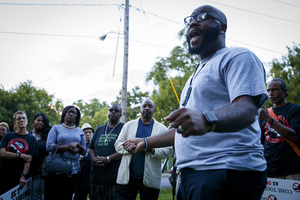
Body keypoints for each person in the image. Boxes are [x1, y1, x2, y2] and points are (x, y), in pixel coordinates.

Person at [122, 5, 268, 200]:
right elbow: (186, 129)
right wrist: (145, 142)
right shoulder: (195, 75)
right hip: (192, 174)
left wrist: (207, 119)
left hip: (226, 171)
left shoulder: (238, 56)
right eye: (189, 19)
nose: (192, 22)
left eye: (202, 16)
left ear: (222, 27)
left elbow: (248, 109)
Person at [115, 98, 173, 200]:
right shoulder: (128, 125)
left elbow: (168, 151)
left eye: (150, 106)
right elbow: (118, 144)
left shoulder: (162, 128)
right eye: (144, 106)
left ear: (154, 110)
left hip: (150, 179)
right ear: (140, 109)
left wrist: (151, 149)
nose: (147, 108)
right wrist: (129, 148)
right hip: (128, 178)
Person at [259, 78, 300, 180]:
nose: (271, 93)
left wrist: (269, 119)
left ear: (284, 91)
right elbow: (261, 143)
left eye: (275, 90)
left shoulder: (296, 110)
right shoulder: (264, 113)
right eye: (268, 90)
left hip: (292, 171)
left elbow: (293, 136)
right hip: (269, 170)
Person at [45, 105, 87, 200]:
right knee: (53, 196)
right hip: (56, 168)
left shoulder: (79, 131)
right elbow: (49, 146)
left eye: (74, 113)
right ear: (64, 114)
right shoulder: (56, 128)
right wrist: (67, 147)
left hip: (74, 170)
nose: (71, 114)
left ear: (77, 117)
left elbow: (84, 151)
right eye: (69, 112)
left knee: (67, 196)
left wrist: (77, 146)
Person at [88, 104, 124, 200]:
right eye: (111, 110)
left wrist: (108, 159)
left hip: (114, 178)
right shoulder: (100, 129)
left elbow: (125, 150)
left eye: (116, 111)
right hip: (96, 176)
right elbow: (91, 148)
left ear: (120, 114)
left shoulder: (124, 128)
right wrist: (94, 159)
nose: (113, 112)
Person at [0, 111, 38, 195]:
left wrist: (23, 176)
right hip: (4, 174)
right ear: (15, 122)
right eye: (19, 118)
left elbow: (28, 159)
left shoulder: (32, 139)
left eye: (24, 118)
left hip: (21, 177)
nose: (22, 120)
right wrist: (20, 155)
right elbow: (2, 153)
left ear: (27, 121)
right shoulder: (8, 136)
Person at [29, 113, 52, 200]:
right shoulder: (28, 134)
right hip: (27, 171)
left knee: (37, 195)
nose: (40, 122)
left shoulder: (48, 136)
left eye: (42, 121)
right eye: (38, 120)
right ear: (33, 121)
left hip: (41, 172)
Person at [74, 123, 94, 200]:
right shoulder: (79, 145)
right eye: (85, 132)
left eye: (90, 132)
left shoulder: (95, 144)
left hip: (92, 174)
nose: (88, 134)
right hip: (81, 175)